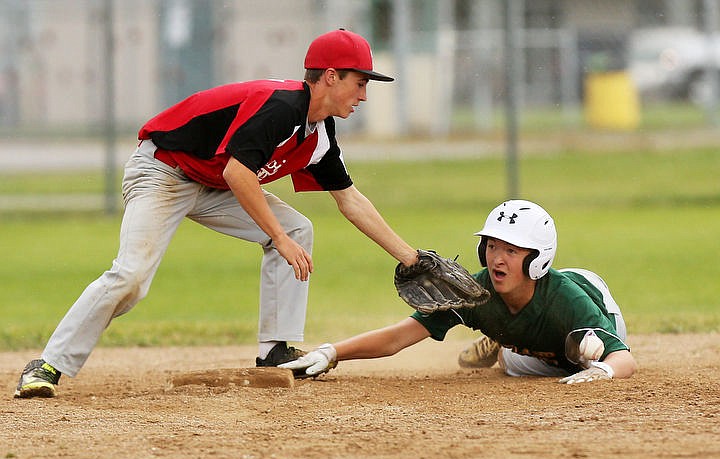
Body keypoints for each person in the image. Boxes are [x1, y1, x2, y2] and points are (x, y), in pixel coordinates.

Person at [13, 28, 419, 399]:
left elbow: (350, 199)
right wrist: (278, 238)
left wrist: (412, 259)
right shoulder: (281, 107)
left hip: (213, 184)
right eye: (360, 82)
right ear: (331, 76)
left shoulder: (320, 133)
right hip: (163, 173)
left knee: (298, 227)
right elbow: (238, 172)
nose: (364, 95)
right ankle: (48, 365)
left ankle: (275, 351)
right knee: (132, 276)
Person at [280, 200, 637, 384]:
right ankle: (504, 340)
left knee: (583, 354)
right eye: (492, 247)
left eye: (511, 251)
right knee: (513, 365)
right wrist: (331, 353)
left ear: (536, 259)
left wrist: (603, 371)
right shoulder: (474, 291)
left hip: (596, 308)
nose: (497, 258)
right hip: (537, 347)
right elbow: (397, 338)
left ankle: (515, 340)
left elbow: (625, 360)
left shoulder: (566, 299)